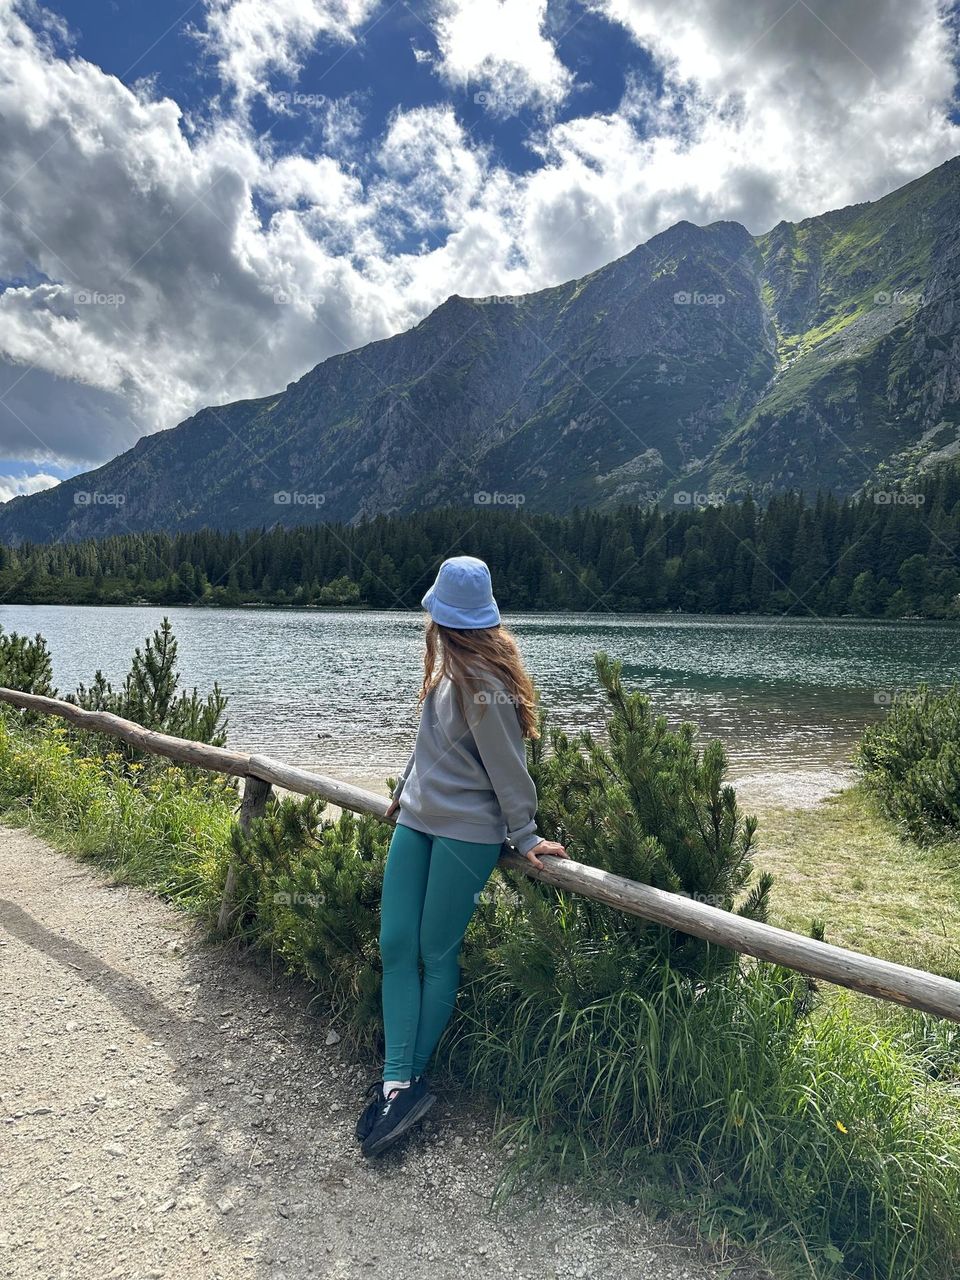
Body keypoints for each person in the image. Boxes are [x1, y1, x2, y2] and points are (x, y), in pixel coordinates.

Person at [356, 555, 569, 1157]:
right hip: (418, 820)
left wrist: (524, 835)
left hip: (469, 833)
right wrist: (402, 791)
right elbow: (426, 746)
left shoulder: (488, 684)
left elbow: (508, 766)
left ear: (443, 616)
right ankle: (398, 1080)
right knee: (396, 943)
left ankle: (408, 1082)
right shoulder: (446, 668)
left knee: (432, 950)